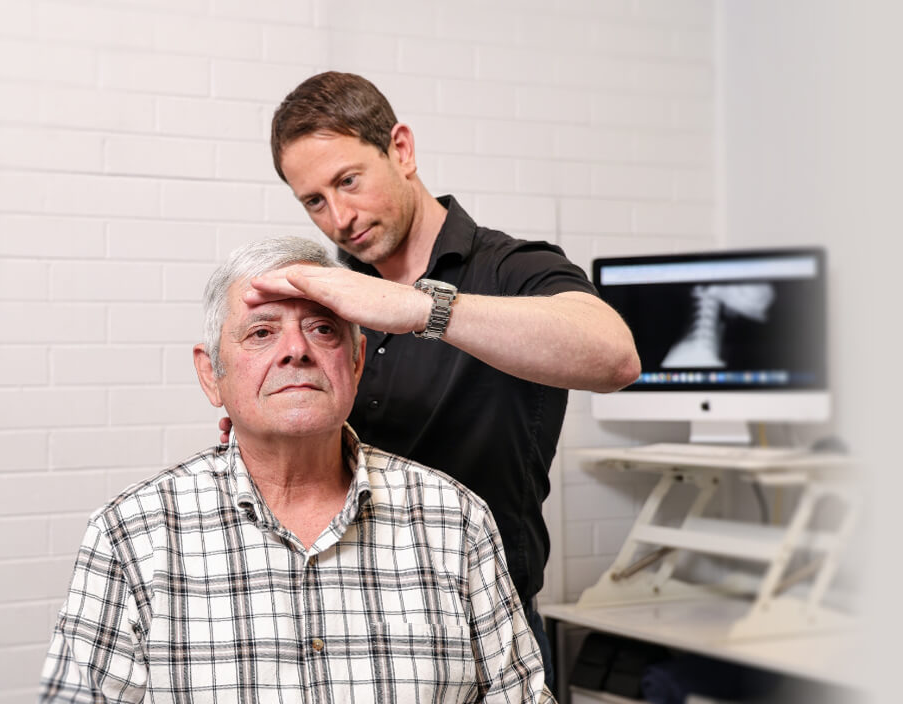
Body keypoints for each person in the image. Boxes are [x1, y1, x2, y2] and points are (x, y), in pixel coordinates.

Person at [236, 71, 642, 677]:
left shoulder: (511, 268)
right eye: (314, 201)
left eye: (349, 181)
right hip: (345, 623)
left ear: (401, 149)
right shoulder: (333, 296)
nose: (340, 218)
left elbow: (616, 357)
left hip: (480, 625)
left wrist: (422, 308)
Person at [41, 237, 553, 703]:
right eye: (261, 332)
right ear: (210, 374)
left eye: (322, 329)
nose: (295, 350)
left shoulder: (456, 520)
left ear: (355, 366)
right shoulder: (130, 535)